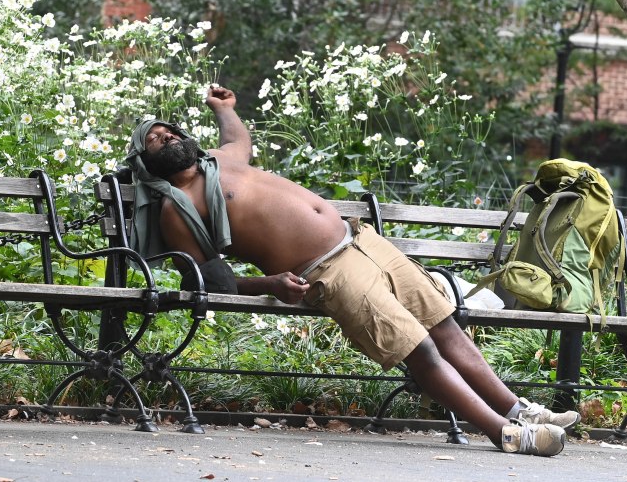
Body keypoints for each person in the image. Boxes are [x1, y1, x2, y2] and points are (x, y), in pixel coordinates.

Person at [125, 85, 580, 457]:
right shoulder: (175, 208)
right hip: (327, 271)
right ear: (146, 161)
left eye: (169, 131)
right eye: (154, 139)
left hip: (363, 242)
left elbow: (238, 139)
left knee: (447, 329)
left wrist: (223, 108)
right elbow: (204, 278)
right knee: (419, 348)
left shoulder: (221, 161)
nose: (166, 137)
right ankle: (502, 432)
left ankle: (522, 412)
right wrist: (270, 284)